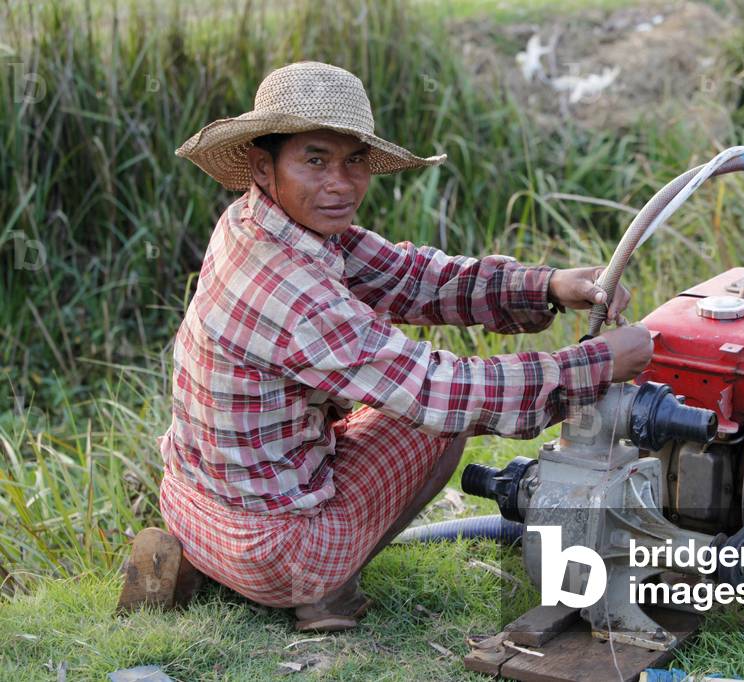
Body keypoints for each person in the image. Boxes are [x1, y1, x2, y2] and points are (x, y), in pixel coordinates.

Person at [116, 62, 653, 632]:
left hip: (190, 503)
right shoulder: (297, 295)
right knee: (438, 418)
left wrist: (546, 285)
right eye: (315, 161)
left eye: (355, 161)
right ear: (262, 166)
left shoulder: (256, 221)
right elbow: (442, 391)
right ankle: (318, 588)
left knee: (405, 394)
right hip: (274, 549)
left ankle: (207, 560)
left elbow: (411, 277)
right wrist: (594, 365)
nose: (341, 184)